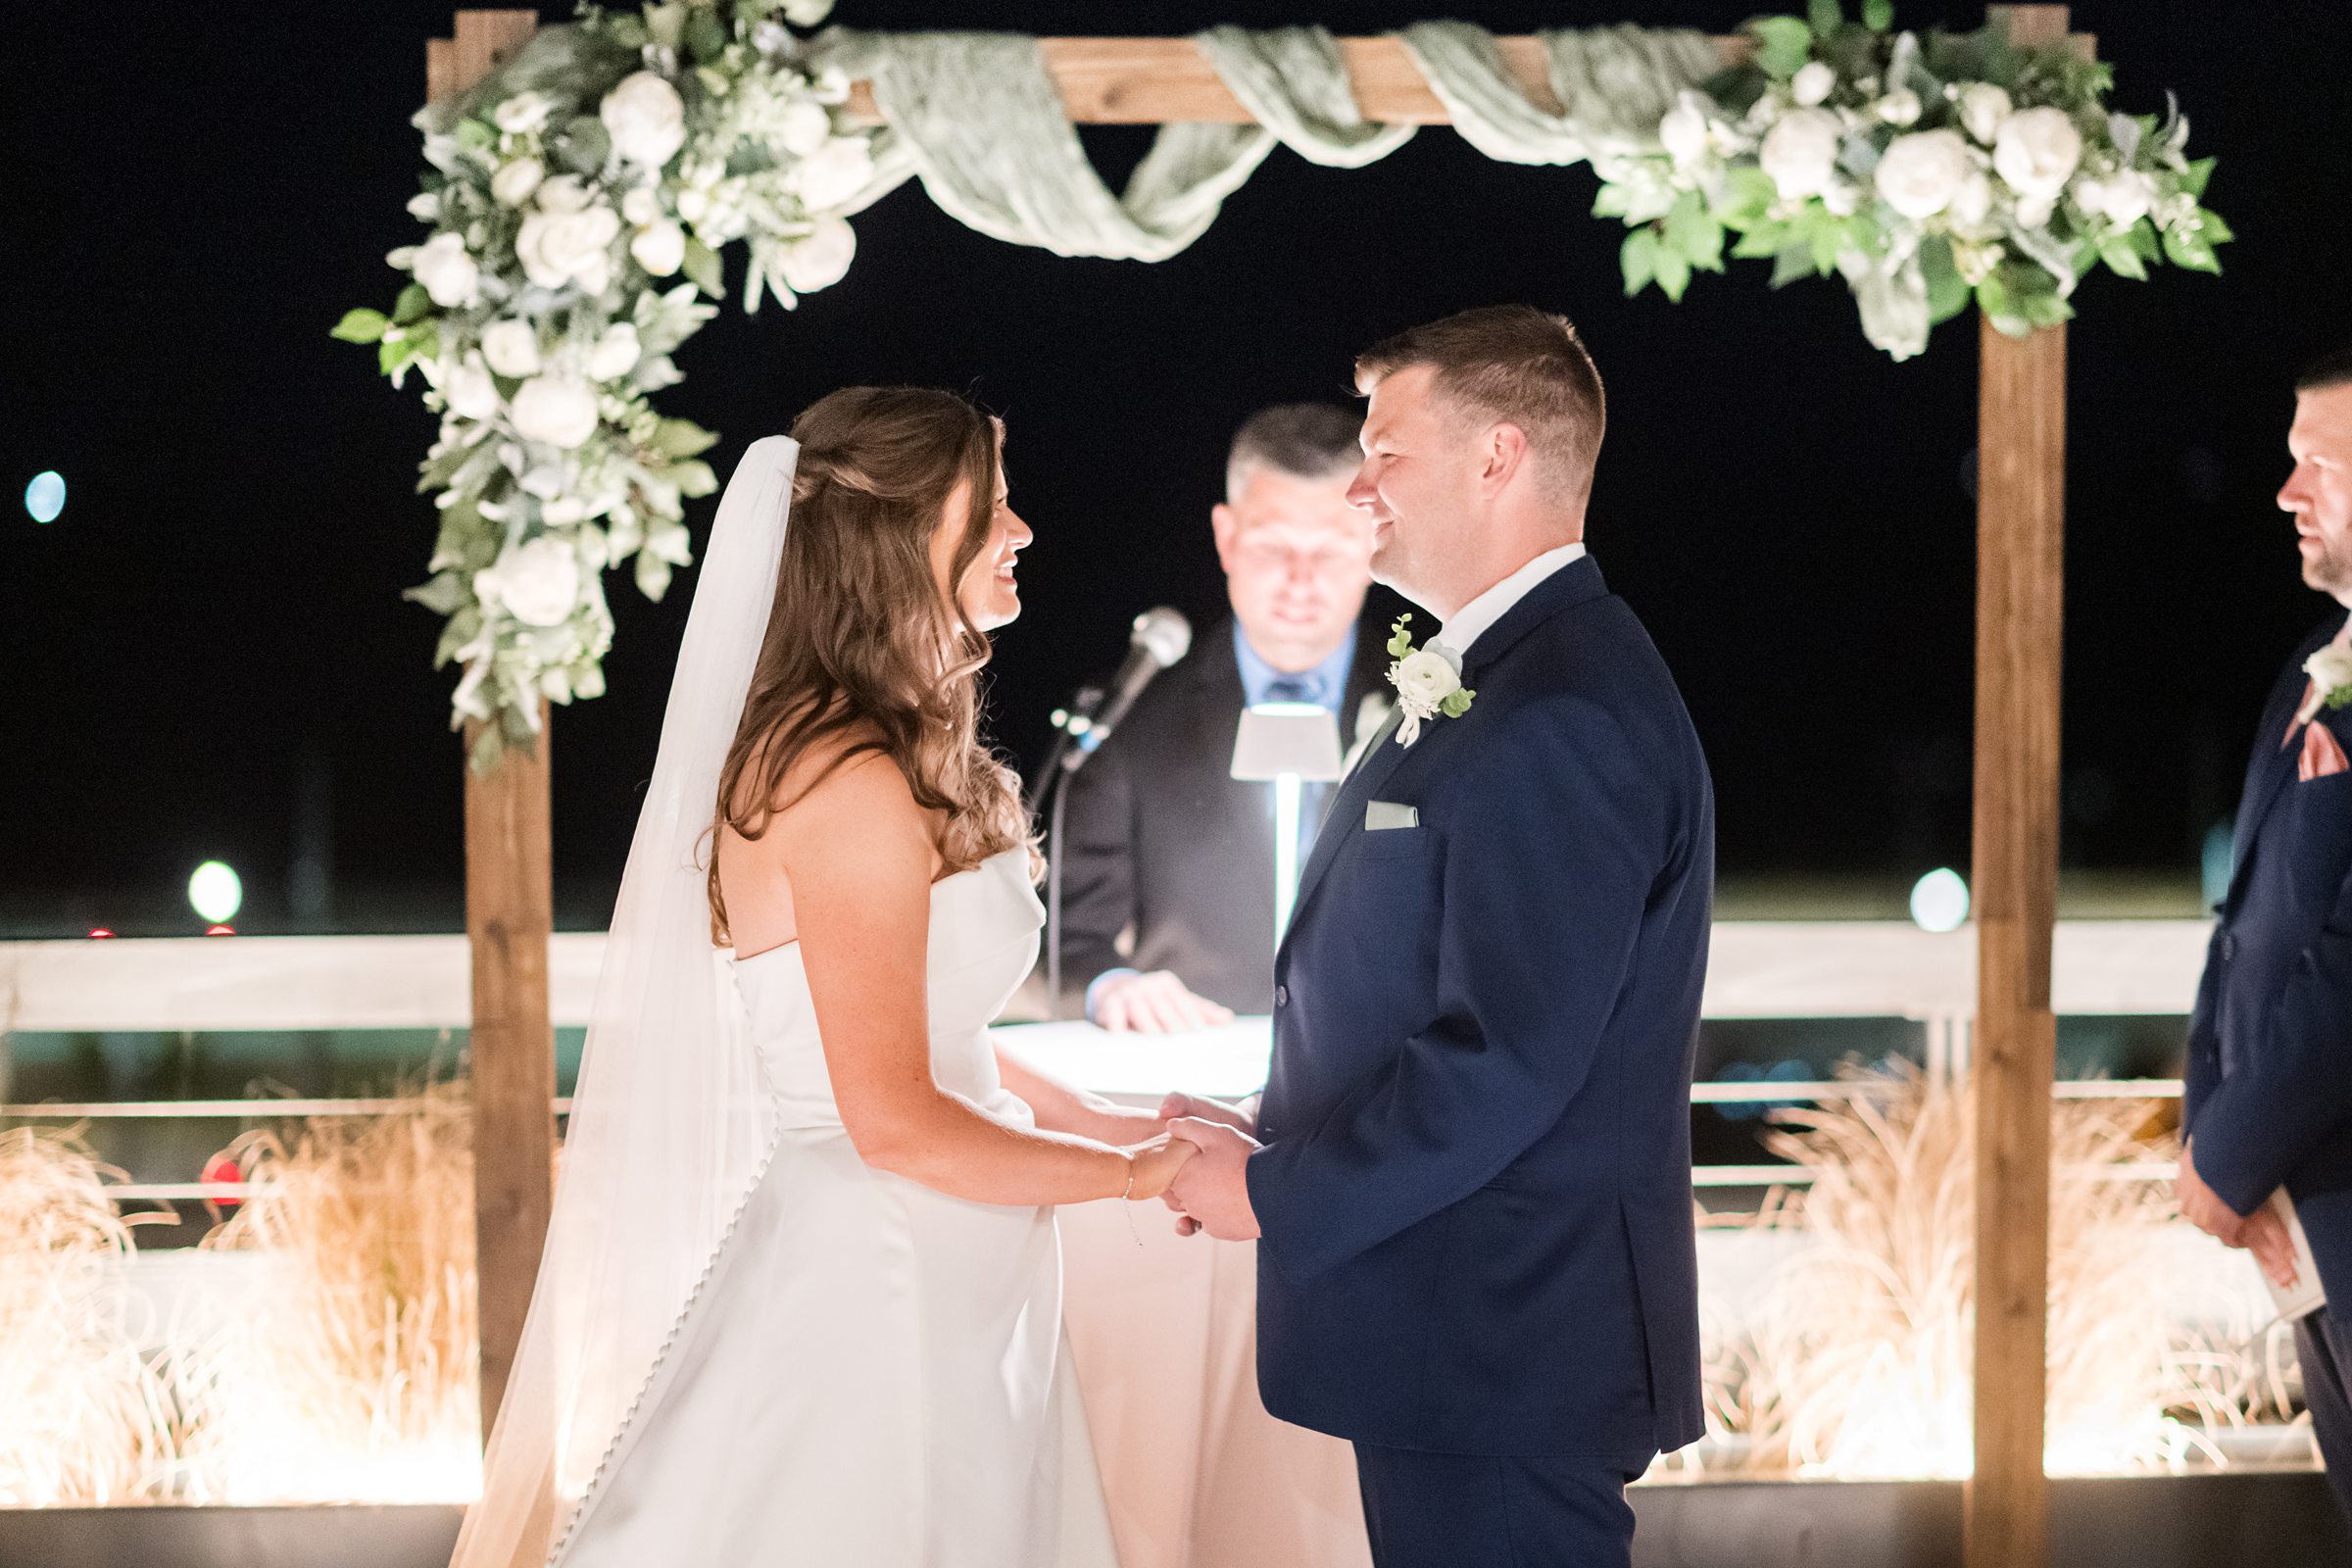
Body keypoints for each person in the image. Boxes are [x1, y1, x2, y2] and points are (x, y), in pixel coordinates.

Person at [451, 387, 1193, 1568]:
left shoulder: (875, 750)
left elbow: (922, 1031)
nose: (1022, 530)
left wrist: (1099, 1119)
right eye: (991, 506)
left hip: (944, 1259)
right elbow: (893, 1120)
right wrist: (1131, 1176)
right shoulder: (842, 780)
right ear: (899, 536)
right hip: (878, 1275)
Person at [1162, 307, 1712, 1568]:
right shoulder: (1511, 673)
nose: (1361, 487)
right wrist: (1275, 1126)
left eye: (1387, 453)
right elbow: (1432, 991)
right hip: (1458, 1332)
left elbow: (1505, 1058)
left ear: (1498, 457)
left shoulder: (1561, 709)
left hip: (1503, 1340)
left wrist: (1266, 1191)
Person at [1055, 403, 1393, 1030]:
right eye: (1273, 547)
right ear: (1227, 538)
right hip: (1187, 1072)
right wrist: (1112, 986)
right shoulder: (1130, 716)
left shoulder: (1431, 704)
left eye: (1331, 551)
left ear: (1377, 541)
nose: (1301, 581)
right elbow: (1067, 938)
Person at [2178, 344, 2352, 1532]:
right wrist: (2206, 1112)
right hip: (2309, 1204)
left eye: (2321, 466)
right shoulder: (2312, 665)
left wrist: (2232, 1147)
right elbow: (2247, 921)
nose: (2288, 494)